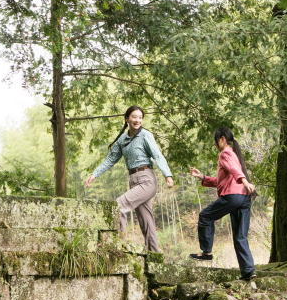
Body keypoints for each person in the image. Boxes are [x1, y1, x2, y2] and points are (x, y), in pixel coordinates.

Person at [86, 105, 173, 253]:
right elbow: (110, 160)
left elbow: (157, 155)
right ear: (127, 119)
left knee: (117, 206)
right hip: (133, 180)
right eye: (134, 117)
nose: (137, 120)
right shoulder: (122, 140)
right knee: (146, 221)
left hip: (147, 180)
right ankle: (154, 255)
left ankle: (117, 244)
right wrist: (95, 174)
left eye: (140, 117)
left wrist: (167, 174)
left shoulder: (145, 135)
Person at [189, 127, 257, 281]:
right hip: (244, 198)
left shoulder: (225, 153)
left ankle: (207, 253)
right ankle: (248, 271)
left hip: (233, 196)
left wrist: (245, 181)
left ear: (222, 139)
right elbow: (222, 181)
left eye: (215, 140)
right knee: (240, 237)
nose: (214, 143)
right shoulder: (234, 154)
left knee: (205, 216)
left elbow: (234, 171)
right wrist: (202, 177)